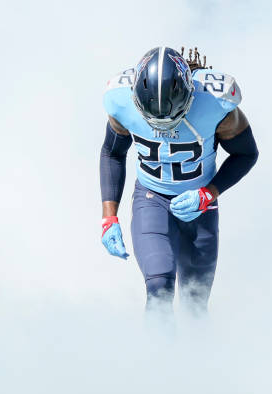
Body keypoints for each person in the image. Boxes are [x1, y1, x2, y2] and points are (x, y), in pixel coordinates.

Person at [100, 47, 258, 316]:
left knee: (195, 303)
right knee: (159, 288)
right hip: (151, 199)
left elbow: (246, 154)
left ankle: (197, 357)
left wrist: (209, 193)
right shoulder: (120, 101)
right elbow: (112, 152)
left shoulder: (216, 106)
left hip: (201, 207)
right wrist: (108, 218)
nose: (163, 124)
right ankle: (156, 357)